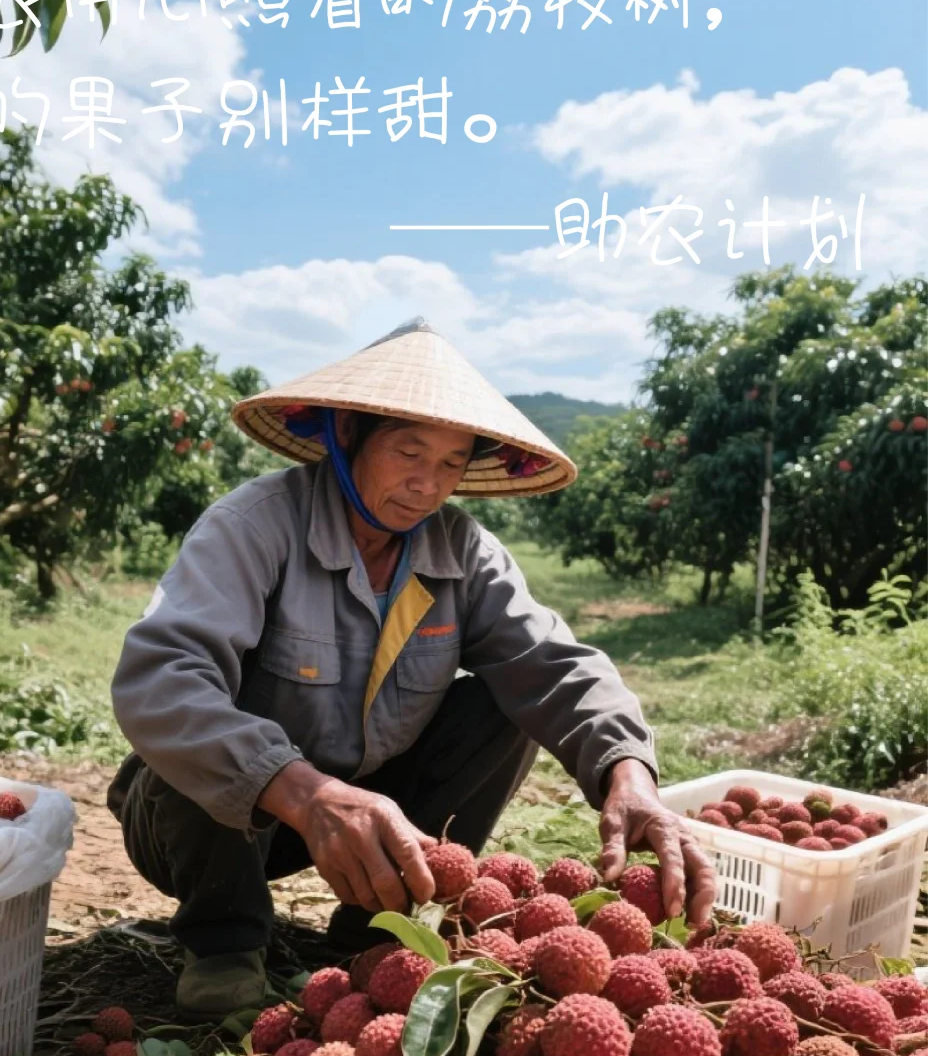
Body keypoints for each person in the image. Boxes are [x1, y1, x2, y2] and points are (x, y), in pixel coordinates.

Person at [109, 318, 715, 1018]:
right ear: (347, 433)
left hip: (370, 822)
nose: (427, 485)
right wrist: (306, 795)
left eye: (452, 463)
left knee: (504, 701)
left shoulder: (462, 552)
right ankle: (225, 940)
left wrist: (629, 776)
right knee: (203, 714)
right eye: (409, 452)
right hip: (206, 825)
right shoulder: (255, 526)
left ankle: (378, 930)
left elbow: (553, 664)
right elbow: (162, 678)